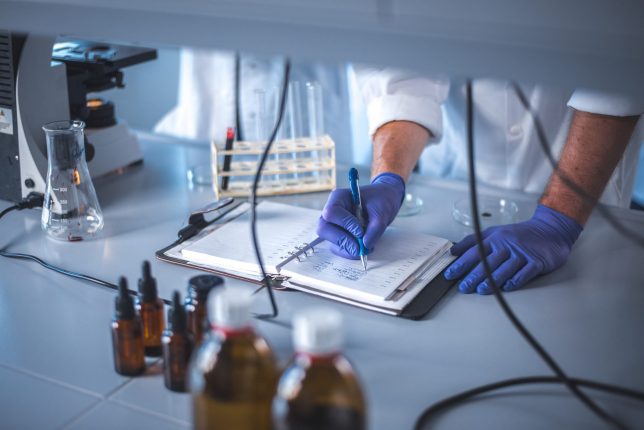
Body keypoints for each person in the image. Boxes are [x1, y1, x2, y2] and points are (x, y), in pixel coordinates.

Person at [318, 68, 643, 295]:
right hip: (451, 202)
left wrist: (558, 220)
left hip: (584, 208)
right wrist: (389, 176)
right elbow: (404, 73)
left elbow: (615, 77)